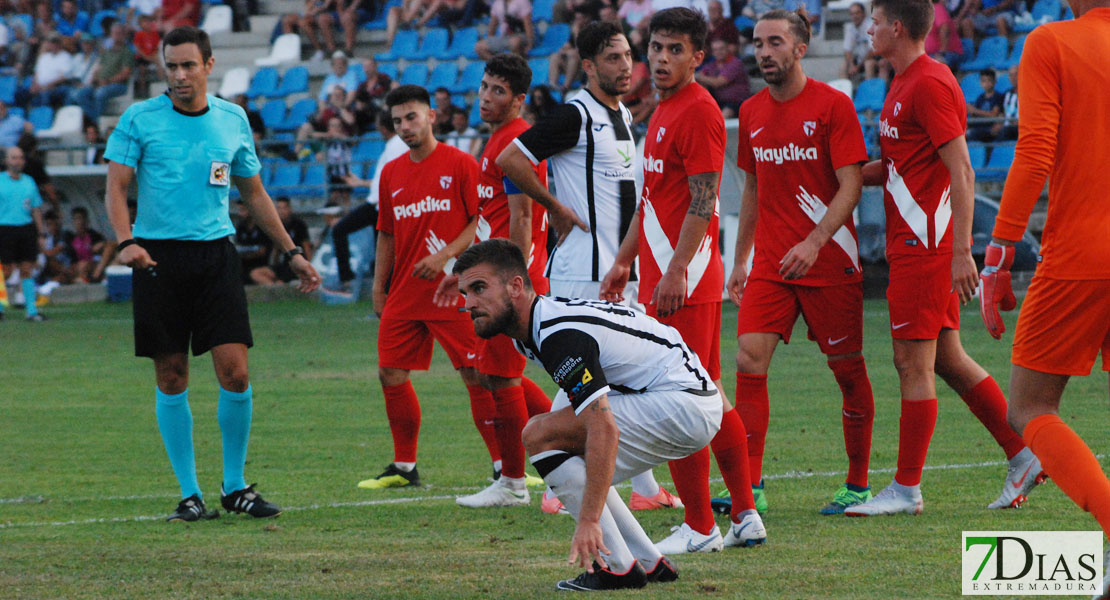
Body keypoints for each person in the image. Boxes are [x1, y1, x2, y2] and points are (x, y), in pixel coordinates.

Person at [103, 26, 320, 522]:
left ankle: (236, 486)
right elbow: (115, 188)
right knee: (172, 374)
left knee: (235, 371)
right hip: (157, 258)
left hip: (216, 256)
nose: (179, 75)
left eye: (188, 65)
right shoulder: (139, 119)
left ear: (208, 65)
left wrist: (290, 253)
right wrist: (127, 242)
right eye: (171, 66)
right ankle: (189, 493)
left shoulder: (232, 119)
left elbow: (255, 193)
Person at [845, 0, 1042, 517]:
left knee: (912, 363)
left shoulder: (928, 82)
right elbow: (899, 165)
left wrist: (961, 253)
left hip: (926, 246)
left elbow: (963, 170)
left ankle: (907, 489)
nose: (867, 28)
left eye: (874, 20)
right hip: (917, 244)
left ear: (896, 26)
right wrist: (843, 174)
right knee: (948, 361)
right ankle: (1022, 455)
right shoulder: (903, 81)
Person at [453, 238, 716, 590]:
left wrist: (589, 519)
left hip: (683, 404)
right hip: (682, 400)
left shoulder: (558, 333)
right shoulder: (538, 323)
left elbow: (603, 428)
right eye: (465, 292)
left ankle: (617, 568)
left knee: (541, 436)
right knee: (558, 437)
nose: (468, 303)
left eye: (479, 288)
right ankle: (648, 562)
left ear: (516, 286)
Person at [500, 21, 684, 514]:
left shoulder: (624, 114)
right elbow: (510, 159)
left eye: (627, 56)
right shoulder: (576, 115)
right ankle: (562, 483)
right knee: (581, 378)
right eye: (612, 58)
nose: (625, 66)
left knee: (614, 379)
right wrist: (553, 207)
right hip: (583, 270)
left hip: (620, 272)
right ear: (587, 66)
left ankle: (643, 491)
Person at [599, 7, 765, 553]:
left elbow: (703, 199)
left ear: (699, 56)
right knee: (709, 394)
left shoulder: (698, 111)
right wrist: (625, 261)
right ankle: (744, 514)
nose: (663, 59)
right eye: (657, 48)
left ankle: (700, 527)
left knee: (678, 400)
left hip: (684, 279)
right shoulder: (665, 109)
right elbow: (652, 201)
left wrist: (672, 272)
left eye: (676, 50)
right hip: (669, 275)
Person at [977, 0, 1110, 587]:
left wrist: (1000, 250)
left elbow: (1034, 150)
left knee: (1030, 407)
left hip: (1084, 250)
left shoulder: (1052, 41)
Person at [723, 8, 876, 517]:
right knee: (748, 358)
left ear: (799, 48)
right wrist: (740, 259)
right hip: (770, 262)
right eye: (757, 43)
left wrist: (814, 242)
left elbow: (852, 182)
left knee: (847, 371)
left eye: (773, 43)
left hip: (829, 260)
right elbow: (751, 191)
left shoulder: (832, 106)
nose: (763, 52)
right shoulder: (750, 112)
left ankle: (857, 485)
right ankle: (750, 484)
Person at [356, 84, 496, 491]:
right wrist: (378, 288)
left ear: (432, 115)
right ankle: (404, 466)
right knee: (390, 373)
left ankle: (507, 465)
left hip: (453, 290)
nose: (404, 127)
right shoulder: (391, 172)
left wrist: (442, 257)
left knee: (478, 375)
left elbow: (479, 222)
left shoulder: (460, 164)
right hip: (405, 292)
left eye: (412, 117)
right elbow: (386, 234)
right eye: (397, 121)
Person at [440, 54, 554, 508]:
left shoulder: (516, 143)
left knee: (500, 378)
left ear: (519, 100)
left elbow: (522, 217)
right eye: (485, 87)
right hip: (500, 276)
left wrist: (512, 282)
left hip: (515, 280)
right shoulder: (496, 141)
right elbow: (493, 220)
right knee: (493, 375)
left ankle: (512, 483)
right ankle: (573, 436)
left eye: (498, 91)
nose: (486, 97)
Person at [328, 110, 406, 292]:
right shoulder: (393, 145)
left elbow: (394, 179)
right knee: (383, 255)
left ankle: (347, 280)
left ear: (383, 127)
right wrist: (360, 182)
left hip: (379, 207)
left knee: (340, 230)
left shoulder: (395, 147)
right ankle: (382, 292)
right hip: (377, 205)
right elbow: (382, 180)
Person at [0, 145, 47, 322]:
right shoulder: (0, 181)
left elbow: (36, 209)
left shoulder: (29, 181)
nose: (17, 161)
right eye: (14, 157)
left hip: (25, 228)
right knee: (5, 270)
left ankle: (32, 311)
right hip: (4, 228)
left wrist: (41, 234)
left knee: (27, 268)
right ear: (6, 161)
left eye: (20, 158)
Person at [73, 23, 135, 121]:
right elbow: (98, 69)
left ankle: (98, 122)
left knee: (100, 93)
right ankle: (97, 120)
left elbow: (125, 74)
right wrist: (95, 80)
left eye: (119, 33)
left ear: (123, 35)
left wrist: (107, 82)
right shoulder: (107, 52)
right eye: (114, 33)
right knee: (80, 94)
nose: (116, 36)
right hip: (101, 82)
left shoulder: (127, 52)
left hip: (118, 85)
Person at [250, 197, 314, 285]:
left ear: (289, 209)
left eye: (284, 208)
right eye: (279, 208)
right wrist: (274, 265)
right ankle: (275, 289)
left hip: (296, 264)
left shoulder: (299, 224)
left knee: (281, 281)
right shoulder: (276, 226)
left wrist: (310, 265)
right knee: (256, 273)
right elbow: (277, 248)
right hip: (284, 263)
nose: (281, 211)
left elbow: (306, 246)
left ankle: (279, 288)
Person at [694, 38, 749, 118]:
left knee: (726, 112)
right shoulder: (712, 65)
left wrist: (699, 76)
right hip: (719, 101)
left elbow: (718, 82)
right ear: (712, 52)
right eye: (715, 50)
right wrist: (699, 78)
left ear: (727, 49)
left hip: (738, 102)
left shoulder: (735, 63)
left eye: (721, 49)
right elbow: (698, 77)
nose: (718, 52)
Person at [63, 206, 110, 282]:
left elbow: (101, 252)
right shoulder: (71, 239)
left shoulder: (94, 236)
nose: (80, 222)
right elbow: (71, 259)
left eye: (82, 218)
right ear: (73, 222)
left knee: (83, 265)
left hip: (92, 265)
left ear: (87, 220)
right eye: (77, 219)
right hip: (77, 267)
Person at [965, 68, 1003, 142]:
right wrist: (970, 110)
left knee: (971, 134)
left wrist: (975, 110)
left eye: (989, 80)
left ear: (994, 82)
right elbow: (974, 113)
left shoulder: (998, 96)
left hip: (989, 127)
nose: (986, 83)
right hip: (979, 125)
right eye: (983, 81)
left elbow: (994, 114)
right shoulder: (981, 97)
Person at [842, 2, 877, 80]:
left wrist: (857, 67)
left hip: (873, 59)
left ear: (863, 14)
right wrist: (851, 65)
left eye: (857, 13)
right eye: (852, 14)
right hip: (858, 61)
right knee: (844, 65)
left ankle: (868, 91)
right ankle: (843, 90)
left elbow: (872, 51)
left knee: (868, 64)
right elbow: (847, 50)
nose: (855, 16)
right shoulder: (850, 28)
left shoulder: (870, 26)